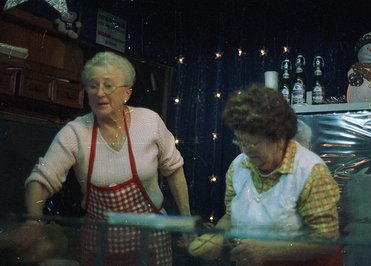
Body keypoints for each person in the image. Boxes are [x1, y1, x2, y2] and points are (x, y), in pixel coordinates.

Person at [14, 51, 191, 265]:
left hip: (150, 241)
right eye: (93, 85)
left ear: (127, 92)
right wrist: (34, 221)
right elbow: (40, 180)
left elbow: (174, 171)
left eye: (108, 86)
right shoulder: (76, 132)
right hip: (98, 244)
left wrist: (186, 219)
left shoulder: (149, 122)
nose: (99, 93)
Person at [191, 83, 342, 265]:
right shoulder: (238, 167)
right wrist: (217, 237)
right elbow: (231, 216)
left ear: (279, 140)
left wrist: (267, 250)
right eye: (240, 141)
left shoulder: (312, 172)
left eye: (252, 144)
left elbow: (327, 241)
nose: (245, 151)